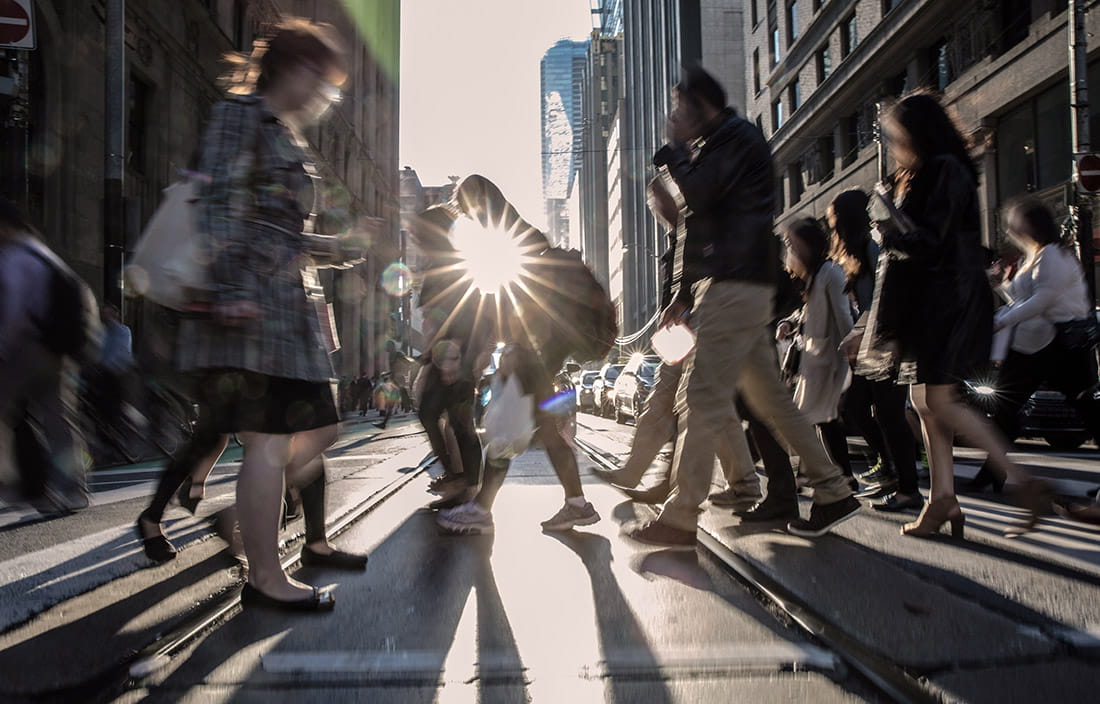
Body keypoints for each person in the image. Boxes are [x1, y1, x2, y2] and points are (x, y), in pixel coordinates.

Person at [174, 18, 368, 611]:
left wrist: (339, 249)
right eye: (322, 81)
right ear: (297, 69)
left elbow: (281, 229)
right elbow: (215, 205)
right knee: (269, 440)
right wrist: (229, 287)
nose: (324, 95)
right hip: (252, 307)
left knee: (318, 428)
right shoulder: (241, 117)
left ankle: (247, 518)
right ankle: (264, 575)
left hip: (286, 307)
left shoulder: (284, 133)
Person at [622, 65, 858, 549]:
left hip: (733, 286)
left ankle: (681, 515)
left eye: (678, 109)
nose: (673, 117)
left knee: (702, 399)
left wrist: (673, 152)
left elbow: (698, 197)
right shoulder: (719, 144)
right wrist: (683, 295)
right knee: (770, 400)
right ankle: (832, 490)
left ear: (699, 106)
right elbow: (697, 226)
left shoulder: (734, 139)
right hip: (733, 286)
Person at [859, 92, 1050, 539]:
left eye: (898, 135)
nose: (894, 143)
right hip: (934, 299)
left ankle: (1025, 483)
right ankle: (942, 499)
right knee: (925, 402)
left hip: (948, 299)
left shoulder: (945, 168)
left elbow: (932, 241)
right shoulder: (929, 170)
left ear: (916, 133)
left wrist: (888, 232)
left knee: (940, 401)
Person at [590, 176, 762, 511]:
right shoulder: (677, 239)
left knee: (702, 404)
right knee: (664, 401)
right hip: (682, 332)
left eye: (661, 197)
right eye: (652, 201)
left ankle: (740, 484)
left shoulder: (704, 230)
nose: (657, 207)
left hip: (706, 324)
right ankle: (637, 471)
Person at [968, 197, 1100, 491]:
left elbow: (1043, 300)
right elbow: (1025, 300)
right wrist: (1001, 284)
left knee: (1087, 410)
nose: (1010, 228)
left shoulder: (1052, 254)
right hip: (1037, 345)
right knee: (1006, 407)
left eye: (1015, 222)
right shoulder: (1035, 255)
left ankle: (992, 473)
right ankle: (992, 472)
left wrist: (1003, 320)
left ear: (1030, 225)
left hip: (1059, 343)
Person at [0, 199, 101, 514]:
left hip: (26, 347)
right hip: (58, 351)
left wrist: (3, 346)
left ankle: (24, 485)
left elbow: (13, 312)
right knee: (60, 420)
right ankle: (75, 490)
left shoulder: (14, 257)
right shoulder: (46, 254)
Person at [829, 190, 922, 513]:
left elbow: (879, 301)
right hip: (873, 340)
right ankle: (890, 467)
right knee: (856, 407)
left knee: (888, 413)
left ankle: (907, 485)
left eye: (833, 220)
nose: (832, 227)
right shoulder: (856, 253)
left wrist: (857, 334)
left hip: (888, 339)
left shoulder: (871, 247)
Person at [777, 217, 856, 487]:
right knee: (821, 420)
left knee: (816, 419)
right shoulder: (812, 277)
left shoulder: (830, 272)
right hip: (815, 361)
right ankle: (833, 475)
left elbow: (843, 316)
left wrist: (850, 353)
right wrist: (790, 322)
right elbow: (809, 314)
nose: (789, 249)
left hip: (830, 360)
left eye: (792, 243)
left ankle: (818, 475)